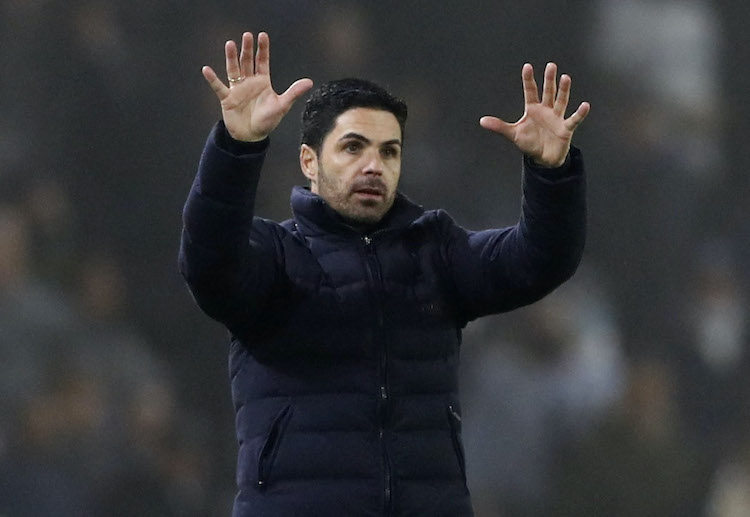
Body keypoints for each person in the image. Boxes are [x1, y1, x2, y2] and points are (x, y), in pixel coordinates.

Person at [179, 31, 589, 517]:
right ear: (309, 161)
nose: (374, 165)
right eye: (353, 148)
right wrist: (235, 148)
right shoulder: (276, 255)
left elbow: (539, 261)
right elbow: (208, 265)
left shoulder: (434, 250)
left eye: (389, 151)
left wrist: (551, 174)